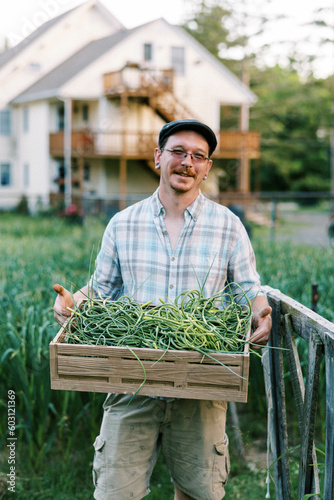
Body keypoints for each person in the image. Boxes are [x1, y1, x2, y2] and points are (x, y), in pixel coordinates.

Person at [54, 119, 272, 500]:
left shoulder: (228, 226)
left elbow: (249, 290)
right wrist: (74, 302)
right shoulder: (123, 224)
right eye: (178, 151)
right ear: (158, 157)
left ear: (206, 168)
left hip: (201, 382)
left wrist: (260, 310)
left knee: (196, 493)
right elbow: (100, 290)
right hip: (131, 380)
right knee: (115, 493)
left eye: (198, 156)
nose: (187, 162)